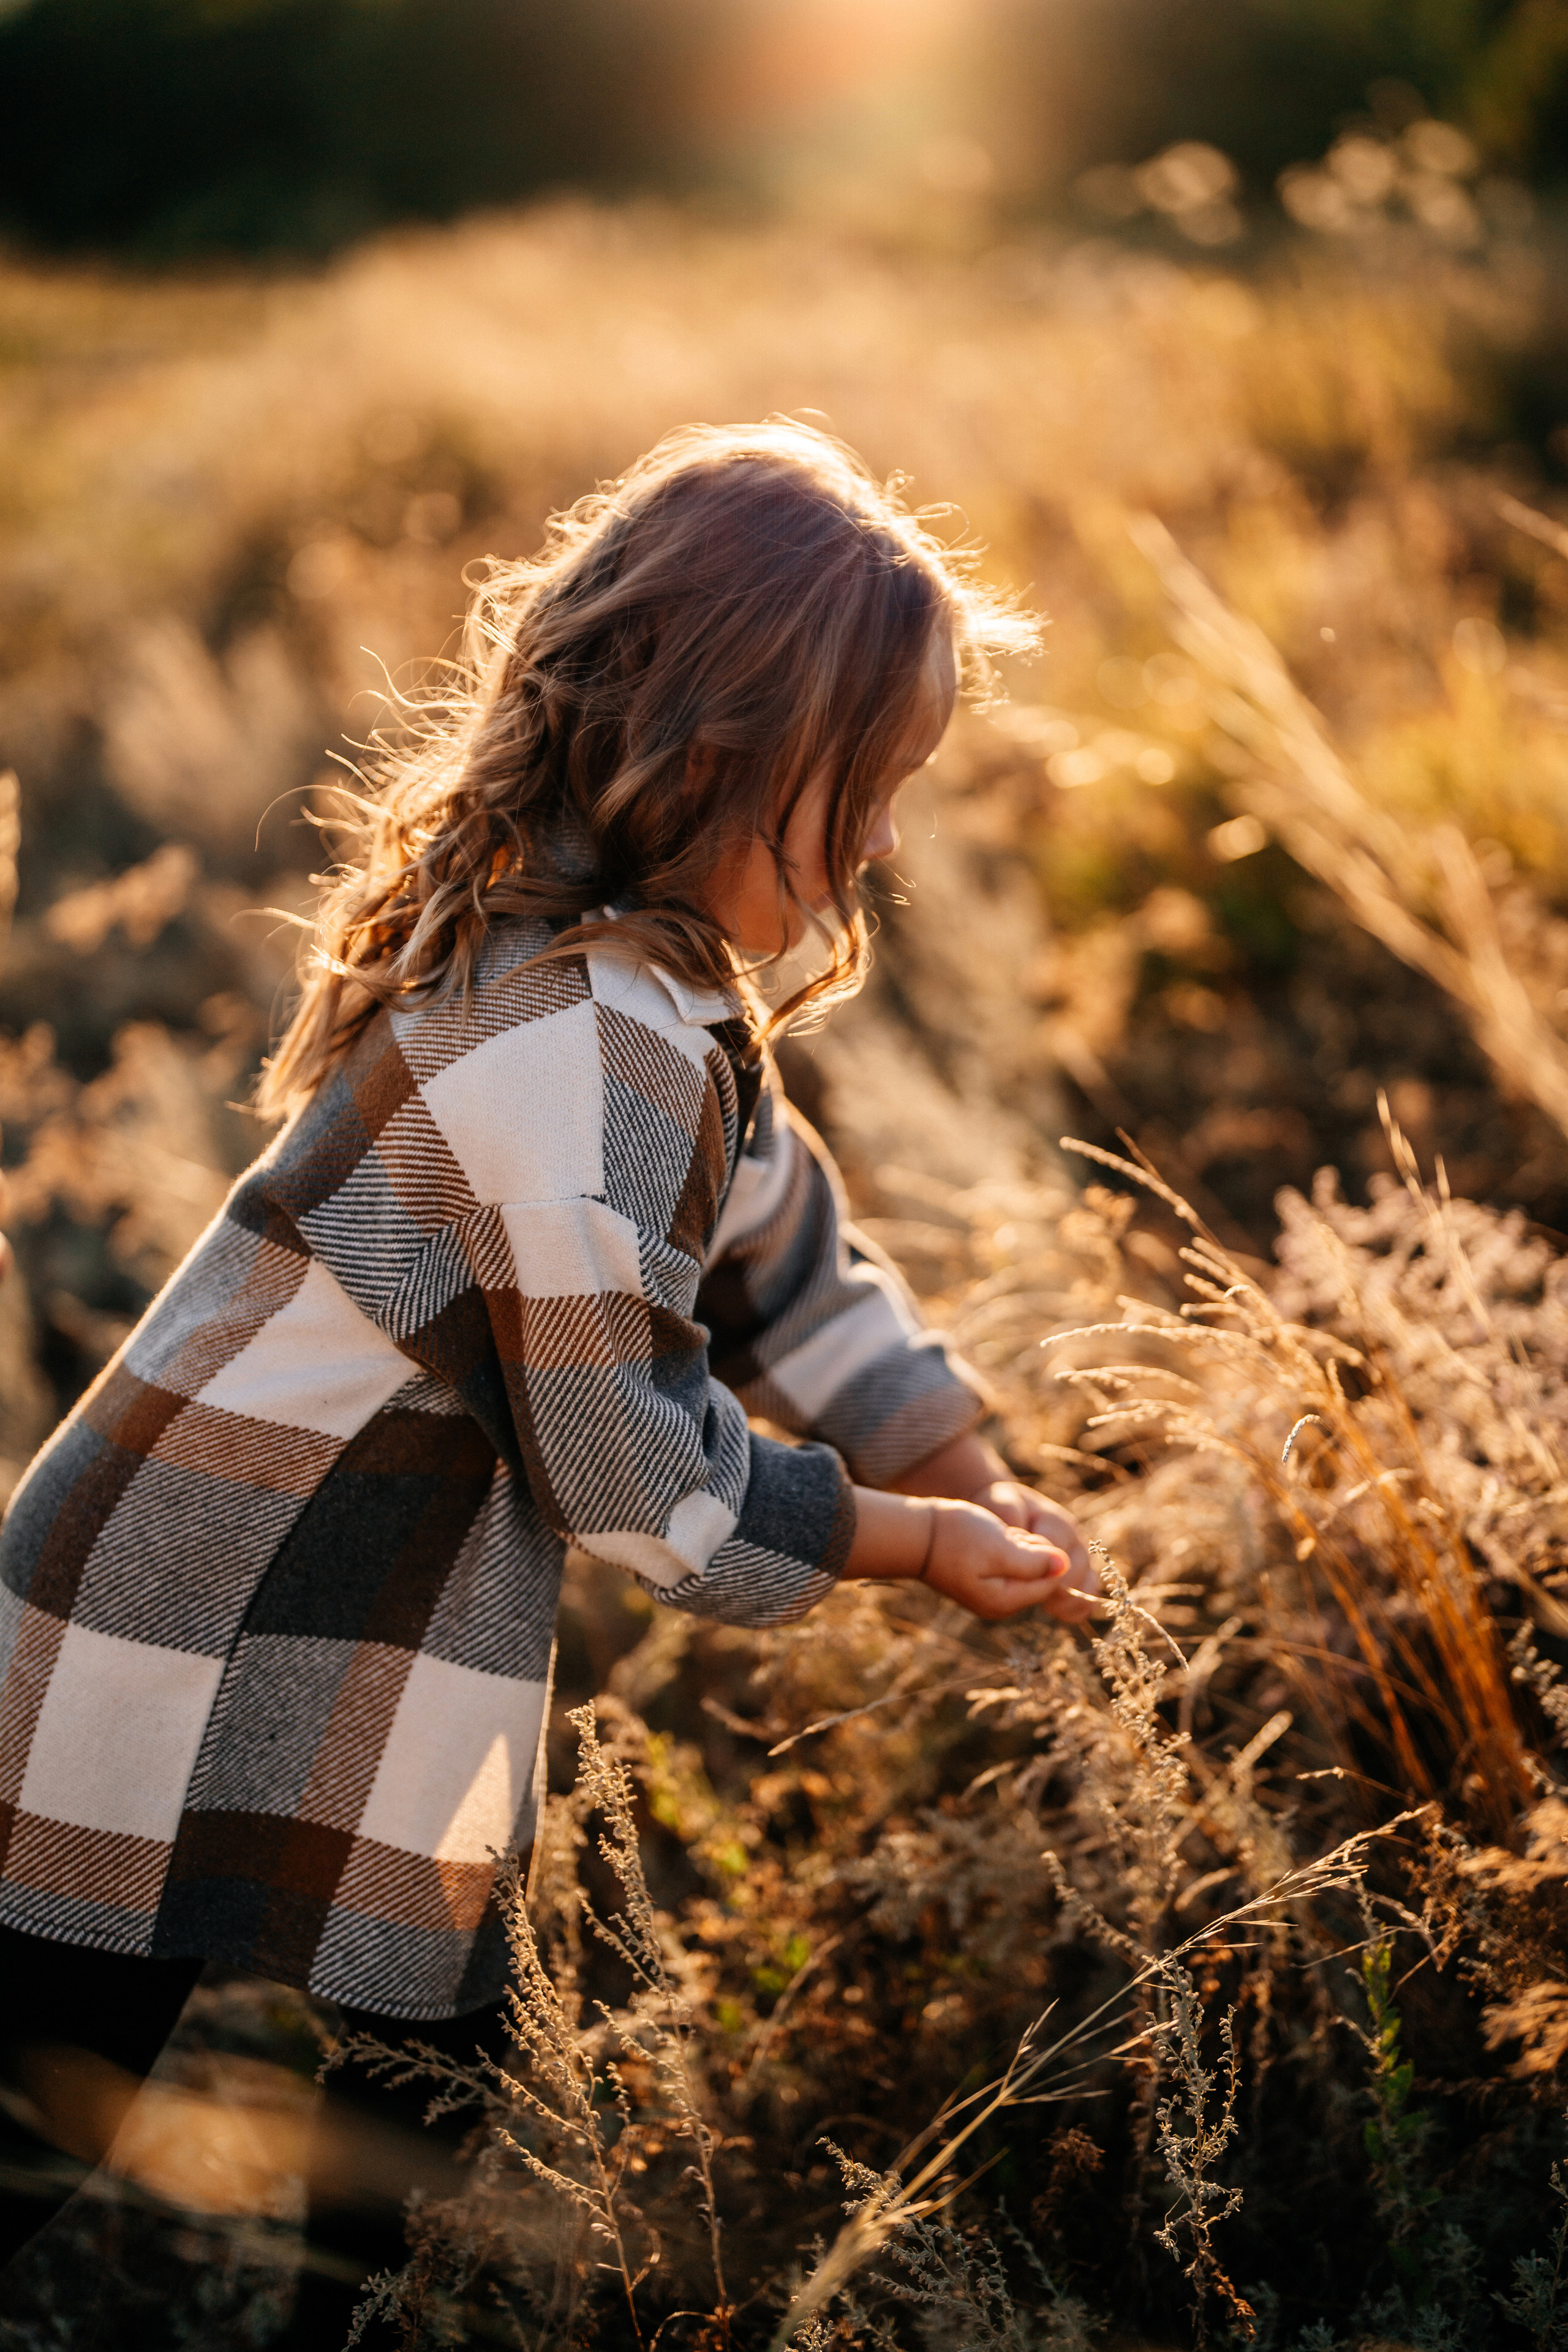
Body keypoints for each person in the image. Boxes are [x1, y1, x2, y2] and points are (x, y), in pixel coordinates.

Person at [0, 419, 1096, 2340]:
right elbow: (626, 1474)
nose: (891, 846)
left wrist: (964, 1456)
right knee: (51, 2086)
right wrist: (907, 1542)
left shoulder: (662, 1000)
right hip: (171, 1618)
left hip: (357, 1643)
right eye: (870, 788)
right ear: (719, 755)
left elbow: (790, 1252)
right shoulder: (565, 1044)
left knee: (433, 2075)